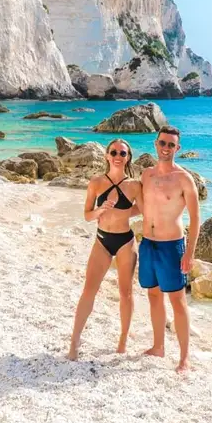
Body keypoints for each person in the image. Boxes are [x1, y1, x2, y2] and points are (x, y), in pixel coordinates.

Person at [67, 138, 141, 361]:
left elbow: (144, 209)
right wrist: (101, 210)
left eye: (123, 153)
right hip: (102, 240)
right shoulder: (96, 183)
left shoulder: (135, 185)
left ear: (128, 158)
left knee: (125, 293)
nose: (118, 156)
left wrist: (123, 213)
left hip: (126, 242)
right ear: (107, 156)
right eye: (114, 152)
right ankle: (74, 342)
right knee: (89, 290)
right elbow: (87, 215)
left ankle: (122, 340)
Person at [136, 125, 201, 372]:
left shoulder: (184, 179)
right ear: (155, 144)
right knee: (153, 295)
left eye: (171, 145)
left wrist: (189, 253)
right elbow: (141, 206)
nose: (165, 148)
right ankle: (158, 347)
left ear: (178, 148)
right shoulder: (146, 175)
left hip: (172, 246)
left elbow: (195, 219)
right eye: (162, 143)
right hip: (148, 244)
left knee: (178, 301)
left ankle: (184, 358)